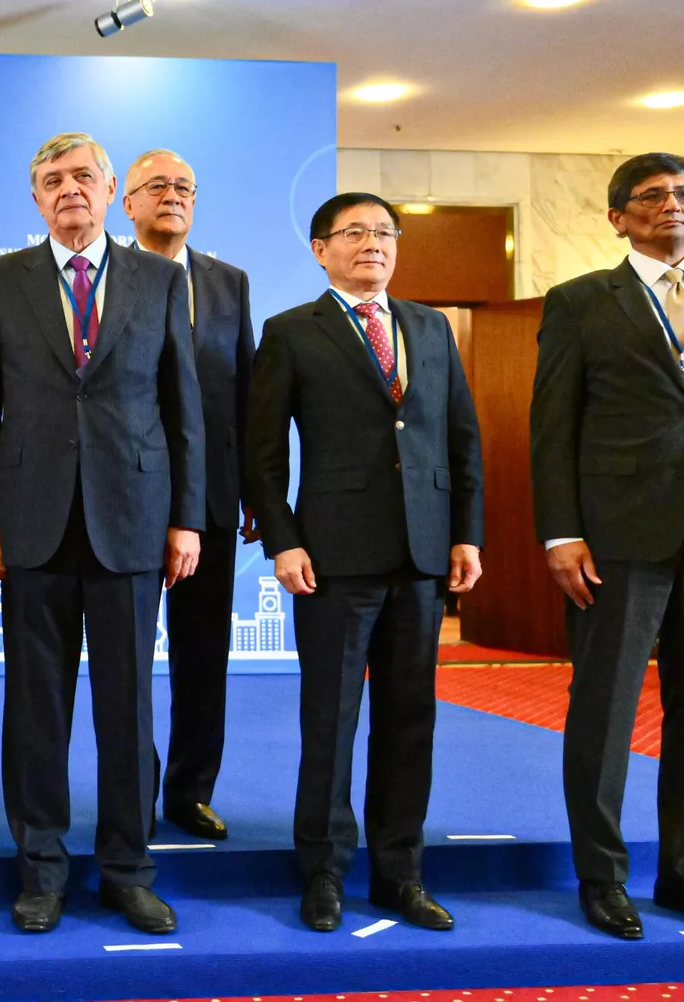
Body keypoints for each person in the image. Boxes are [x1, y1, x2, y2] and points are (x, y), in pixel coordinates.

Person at [0, 132, 205, 936]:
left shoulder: (161, 280)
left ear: (110, 192)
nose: (69, 190)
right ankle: (41, 870)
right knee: (36, 710)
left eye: (83, 178)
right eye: (52, 181)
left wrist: (186, 517)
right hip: (31, 523)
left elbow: (183, 411)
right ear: (36, 198)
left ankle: (129, 869)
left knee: (127, 710)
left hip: (132, 520)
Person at [530, 152, 684, 941]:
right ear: (617, 216)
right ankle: (601, 878)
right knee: (602, 715)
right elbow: (552, 428)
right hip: (618, 538)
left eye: (682, 193)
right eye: (650, 196)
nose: (670, 205)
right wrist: (562, 532)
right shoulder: (579, 303)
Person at [245, 192, 483, 934]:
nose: (372, 244)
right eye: (354, 233)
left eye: (384, 233)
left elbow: (462, 439)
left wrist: (465, 535)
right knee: (333, 721)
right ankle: (323, 871)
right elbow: (258, 452)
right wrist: (283, 540)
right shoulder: (290, 331)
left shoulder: (430, 327)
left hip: (421, 557)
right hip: (331, 559)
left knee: (411, 721)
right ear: (321, 249)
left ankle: (399, 872)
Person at [120, 148, 254, 841]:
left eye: (184, 188)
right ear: (129, 204)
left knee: (204, 653)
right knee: (129, 655)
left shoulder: (228, 282)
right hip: (131, 495)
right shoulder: (109, 278)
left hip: (212, 496)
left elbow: (246, 395)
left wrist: (258, 491)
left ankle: (190, 790)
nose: (173, 196)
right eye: (157, 187)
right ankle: (134, 790)